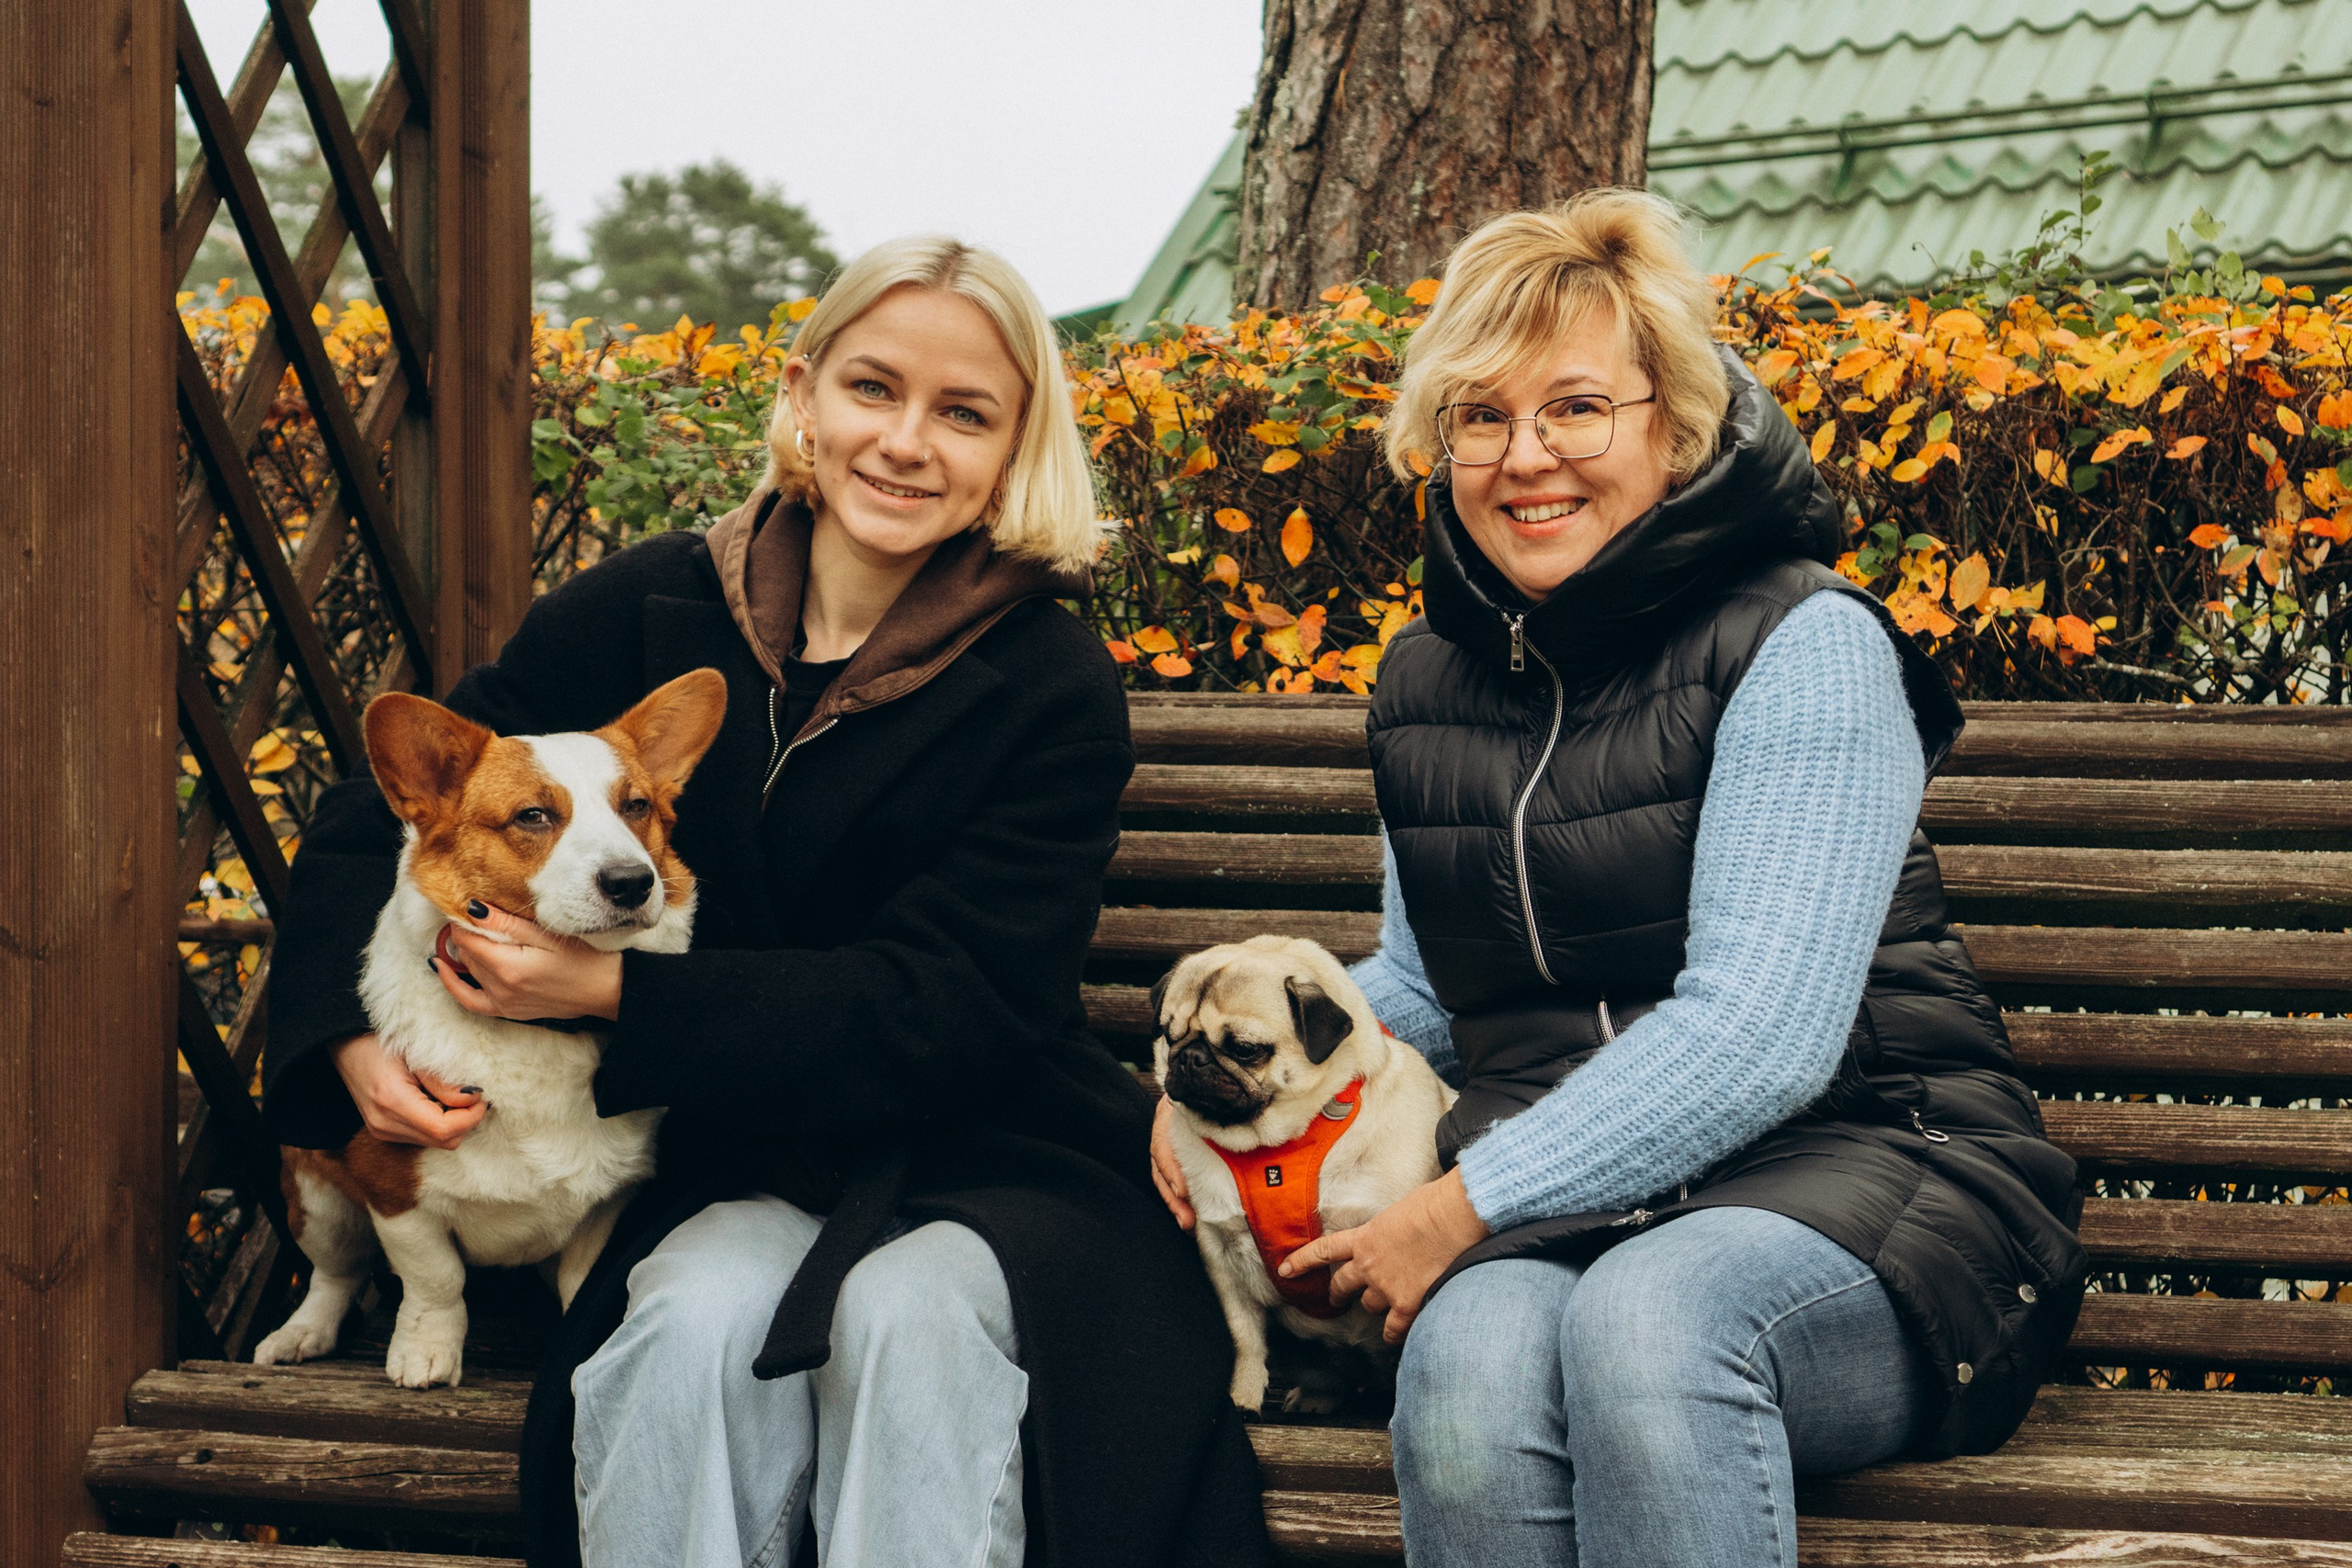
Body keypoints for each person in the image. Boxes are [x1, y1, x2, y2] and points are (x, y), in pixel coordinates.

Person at [265, 235, 1272, 1568]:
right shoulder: (654, 604)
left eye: (963, 412)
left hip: (992, 1148)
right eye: (873, 388)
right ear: (803, 394)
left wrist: (621, 993)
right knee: (685, 1325)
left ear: (1017, 444)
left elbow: (960, 1003)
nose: (907, 441)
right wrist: (344, 1053)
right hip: (731, 1155)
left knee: (907, 1322)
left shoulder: (1048, 678)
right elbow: (379, 821)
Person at [1150, 190, 2086, 1567]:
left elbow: (1761, 1036)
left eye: (1578, 408)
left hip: (1874, 1177)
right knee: (1463, 1364)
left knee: (1649, 1325)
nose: (1527, 457)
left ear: (1675, 426)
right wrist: (1188, 1095)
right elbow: (1413, 986)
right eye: (1481, 416)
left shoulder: (1805, 641)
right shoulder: (1427, 683)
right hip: (1568, 1198)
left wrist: (1458, 1206)